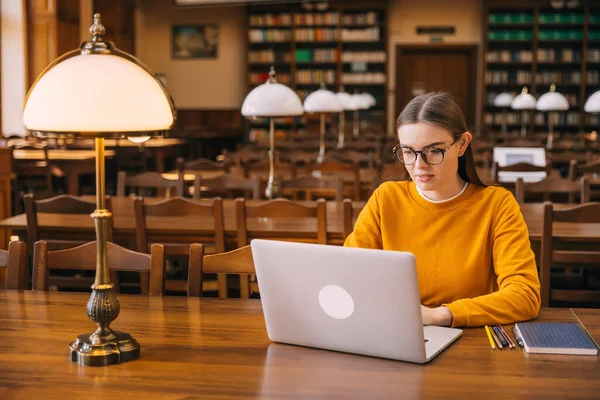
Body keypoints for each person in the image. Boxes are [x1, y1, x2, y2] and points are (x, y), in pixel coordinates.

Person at [344, 92, 540, 328]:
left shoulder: (497, 205)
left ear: (462, 144)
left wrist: (442, 315)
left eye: (433, 150)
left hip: (472, 340)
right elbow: (349, 275)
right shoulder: (385, 199)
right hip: (397, 332)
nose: (419, 165)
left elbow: (525, 295)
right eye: (408, 151)